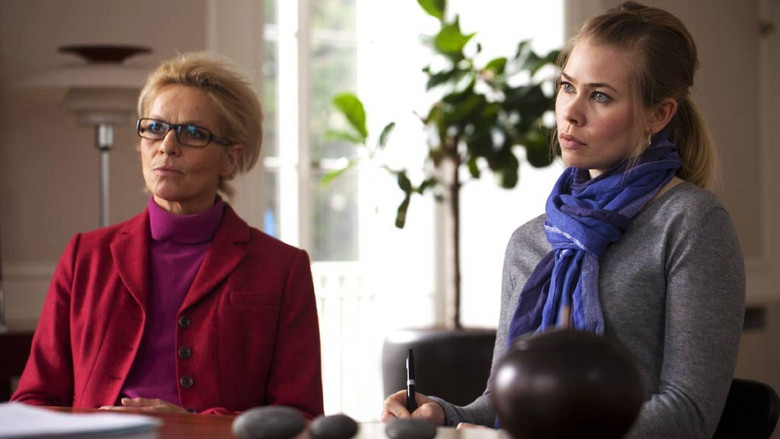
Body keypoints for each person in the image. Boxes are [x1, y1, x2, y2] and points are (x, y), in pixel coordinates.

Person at [381, 2, 745, 437]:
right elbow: (504, 404)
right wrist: (443, 414)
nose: (571, 112)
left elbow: (688, 413)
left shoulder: (691, 224)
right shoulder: (529, 241)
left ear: (659, 114)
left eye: (600, 96)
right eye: (567, 86)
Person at [12, 52, 324, 417]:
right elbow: (32, 401)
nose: (167, 145)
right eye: (156, 128)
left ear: (230, 158)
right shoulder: (86, 256)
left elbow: (300, 417)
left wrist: (191, 427)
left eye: (193, 133)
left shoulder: (282, 268)